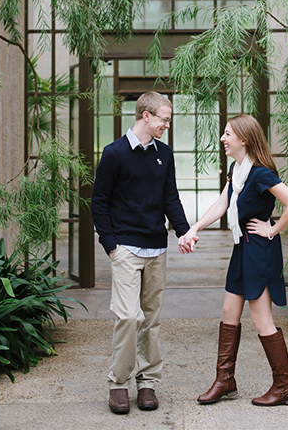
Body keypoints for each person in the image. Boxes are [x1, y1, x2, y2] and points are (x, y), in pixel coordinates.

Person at [178, 114, 288, 407]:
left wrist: (271, 229)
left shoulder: (260, 173)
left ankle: (285, 387)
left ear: (244, 139)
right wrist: (193, 229)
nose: (223, 139)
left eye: (227, 134)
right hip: (241, 247)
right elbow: (224, 203)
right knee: (228, 312)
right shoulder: (238, 169)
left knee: (261, 320)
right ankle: (225, 381)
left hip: (258, 249)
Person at [90, 91, 190, 415]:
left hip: (156, 248)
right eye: (164, 118)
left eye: (169, 120)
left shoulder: (165, 154)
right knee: (128, 317)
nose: (167, 125)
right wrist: (111, 246)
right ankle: (118, 383)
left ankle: (147, 381)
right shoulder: (115, 153)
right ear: (145, 116)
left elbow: (170, 197)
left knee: (151, 319)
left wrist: (184, 231)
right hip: (126, 250)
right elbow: (99, 202)